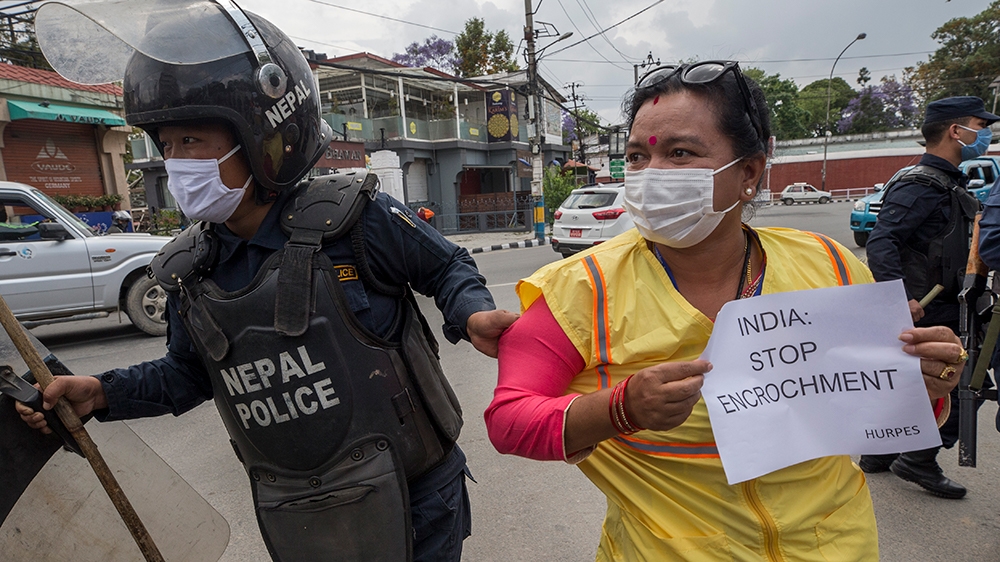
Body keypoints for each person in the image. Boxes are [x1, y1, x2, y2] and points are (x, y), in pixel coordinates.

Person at [18, 3, 517, 561]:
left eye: (194, 142)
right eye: (168, 145)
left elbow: (447, 267)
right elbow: (187, 374)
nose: (178, 162)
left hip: (417, 497)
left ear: (263, 137)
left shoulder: (353, 218)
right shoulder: (189, 269)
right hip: (302, 517)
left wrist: (471, 313)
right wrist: (103, 392)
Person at [484, 60, 965, 560]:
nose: (651, 176)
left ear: (749, 172)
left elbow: (876, 406)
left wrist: (928, 383)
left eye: (680, 153)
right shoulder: (579, 288)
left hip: (835, 545)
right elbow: (509, 419)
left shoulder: (829, 264)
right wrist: (619, 409)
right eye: (636, 157)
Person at [860, 96, 995, 499]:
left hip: (948, 301)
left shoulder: (948, 180)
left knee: (908, 385)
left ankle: (879, 451)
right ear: (956, 131)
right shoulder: (921, 184)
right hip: (926, 306)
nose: (985, 134)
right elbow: (882, 241)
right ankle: (917, 458)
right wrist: (899, 298)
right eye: (979, 125)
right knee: (961, 381)